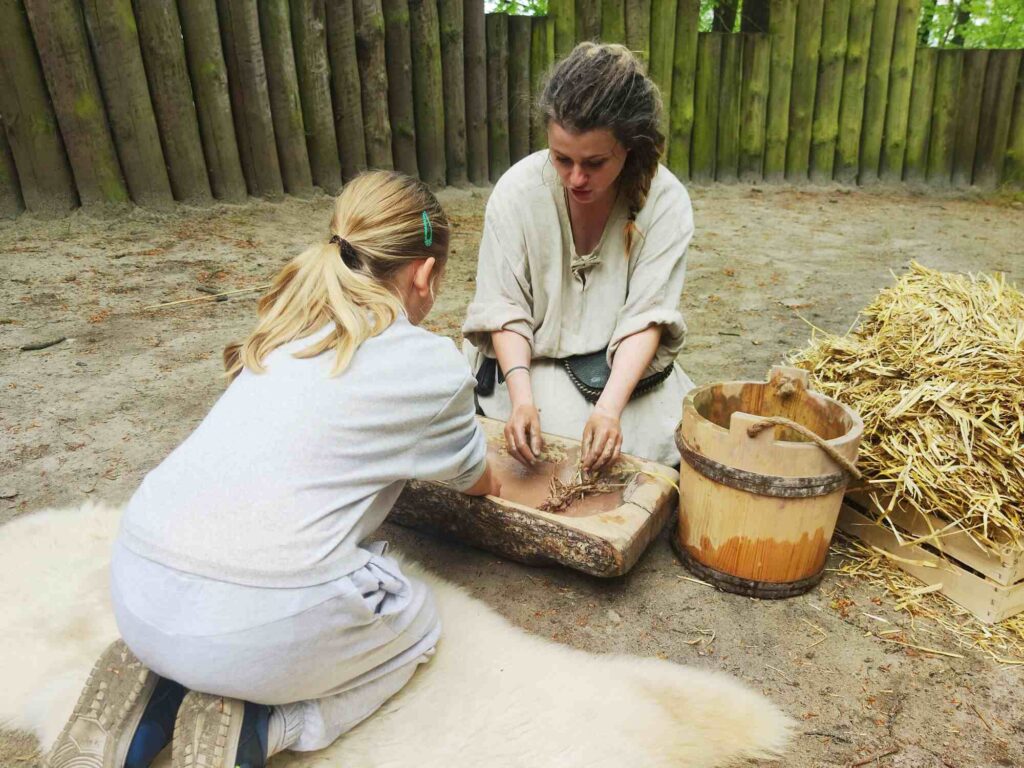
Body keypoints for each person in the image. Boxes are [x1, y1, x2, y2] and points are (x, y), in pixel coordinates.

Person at [46, 171, 502, 768]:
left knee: (221, 596)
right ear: (424, 275)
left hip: (138, 580)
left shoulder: (284, 332)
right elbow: (481, 481)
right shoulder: (431, 365)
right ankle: (271, 723)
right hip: (254, 622)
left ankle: (153, 694)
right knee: (416, 625)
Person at [463, 42, 695, 471]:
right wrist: (521, 400)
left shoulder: (665, 201)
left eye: (594, 162)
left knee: (643, 447)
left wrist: (608, 411)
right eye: (561, 158)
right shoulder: (517, 191)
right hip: (525, 365)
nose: (575, 178)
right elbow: (504, 308)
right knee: (534, 448)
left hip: (619, 373)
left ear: (629, 146)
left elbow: (647, 316)